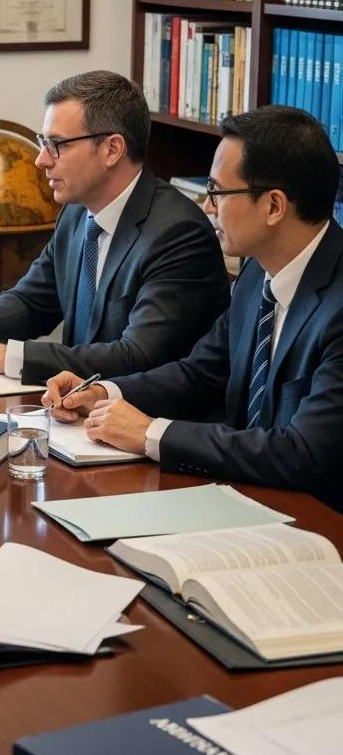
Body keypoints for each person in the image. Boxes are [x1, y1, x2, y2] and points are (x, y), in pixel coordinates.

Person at [45, 107, 343, 512]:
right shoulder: (258, 273)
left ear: (274, 206)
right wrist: (101, 393)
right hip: (240, 500)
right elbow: (200, 372)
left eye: (217, 192)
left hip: (317, 526)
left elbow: (302, 452)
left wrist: (153, 433)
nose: (207, 207)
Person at [0, 71, 229, 384]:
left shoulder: (178, 234)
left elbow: (137, 355)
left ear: (112, 149)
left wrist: (6, 357)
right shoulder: (76, 212)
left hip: (144, 418)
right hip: (76, 410)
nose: (41, 160)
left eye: (57, 144)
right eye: (44, 142)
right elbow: (33, 300)